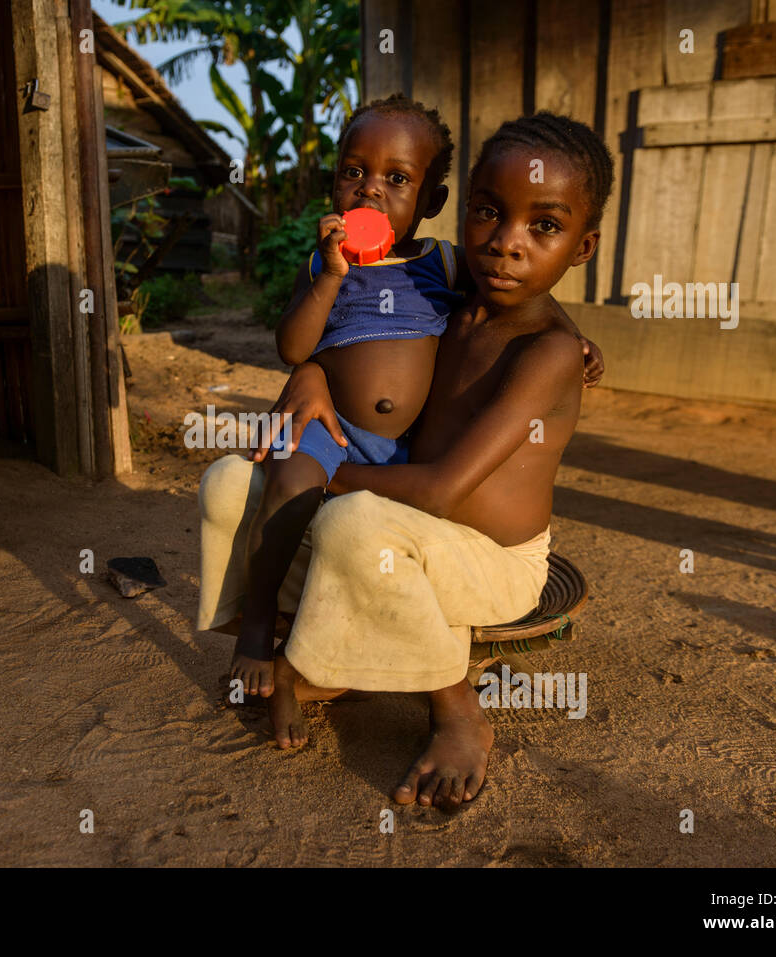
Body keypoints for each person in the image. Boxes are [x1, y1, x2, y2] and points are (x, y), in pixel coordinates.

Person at [198, 111, 613, 812]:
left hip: (486, 558)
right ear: (464, 213)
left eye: (542, 226)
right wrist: (313, 377)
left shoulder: (545, 349)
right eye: (489, 213)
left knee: (352, 525)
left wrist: (330, 475)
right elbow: (361, 346)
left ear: (582, 245)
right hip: (404, 524)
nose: (505, 245)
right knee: (230, 484)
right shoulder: (448, 297)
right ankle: (318, 651)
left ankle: (456, 713)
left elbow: (444, 490)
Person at [229, 95, 464, 704]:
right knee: (286, 488)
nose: (369, 190)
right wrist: (331, 275)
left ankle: (358, 647)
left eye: (397, 178)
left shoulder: (442, 262)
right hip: (327, 427)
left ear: (431, 202)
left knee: (382, 538)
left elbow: (512, 308)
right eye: (353, 172)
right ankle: (257, 626)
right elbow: (291, 346)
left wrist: (574, 337)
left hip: (407, 445)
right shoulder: (322, 261)